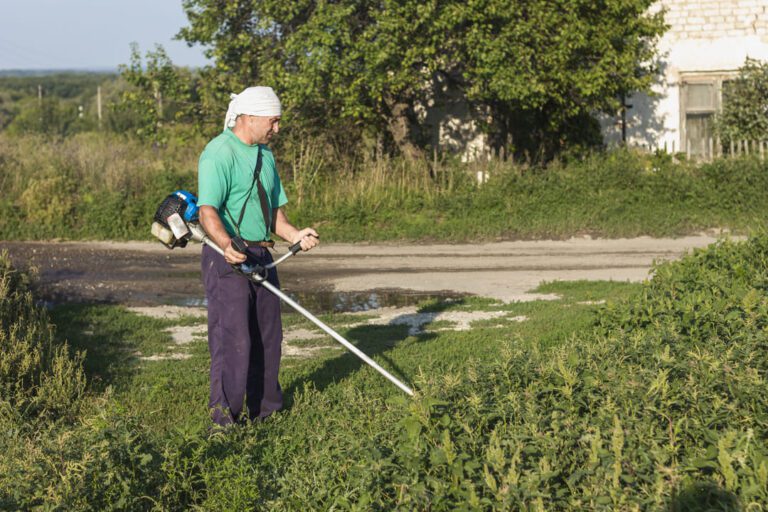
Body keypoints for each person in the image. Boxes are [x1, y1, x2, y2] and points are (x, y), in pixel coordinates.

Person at [197, 86, 319, 427]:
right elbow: (207, 211)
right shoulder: (218, 153)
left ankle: (266, 413)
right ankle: (223, 422)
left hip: (262, 254)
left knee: (268, 336)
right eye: (274, 122)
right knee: (233, 338)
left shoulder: (266, 156)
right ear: (249, 117)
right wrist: (225, 245)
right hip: (227, 255)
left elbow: (273, 215)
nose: (277, 129)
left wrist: (295, 234)